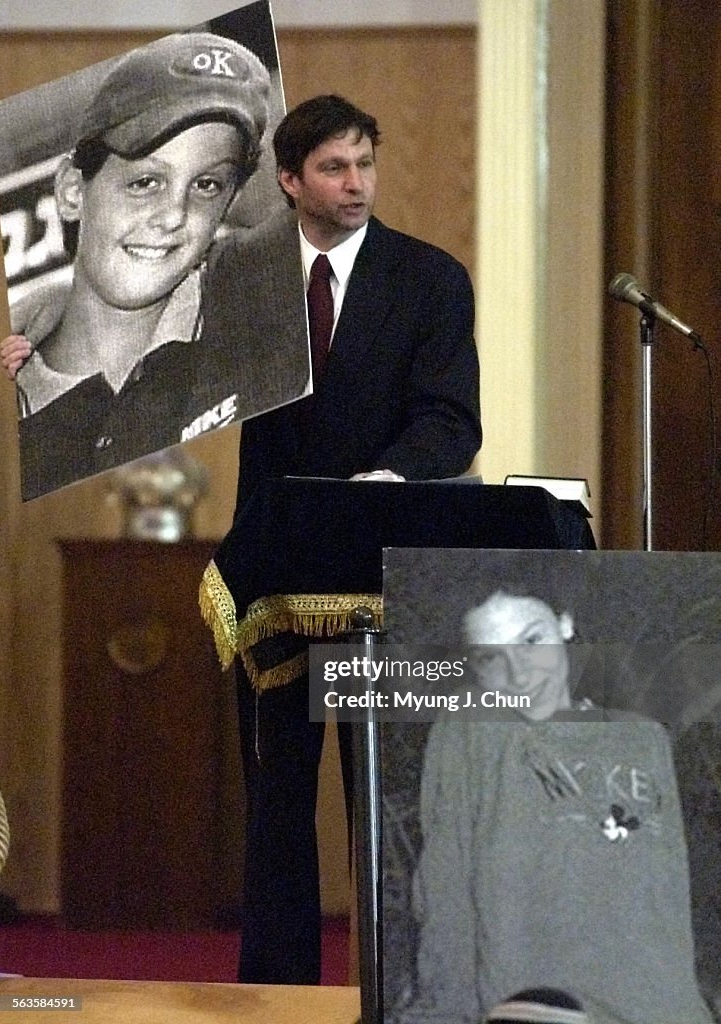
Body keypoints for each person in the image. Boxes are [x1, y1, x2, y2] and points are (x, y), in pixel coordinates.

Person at [227, 94, 482, 985]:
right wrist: (46, 362)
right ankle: (275, 989)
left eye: (365, 164)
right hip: (278, 568)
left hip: (387, 566)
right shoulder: (244, 280)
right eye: (334, 168)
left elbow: (454, 423)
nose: (356, 183)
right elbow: (150, 368)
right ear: (290, 180)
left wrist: (387, 482)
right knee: (278, 802)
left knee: (393, 798)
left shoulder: (431, 279)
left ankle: (409, 985)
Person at [0, 31, 309, 500]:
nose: (173, 217)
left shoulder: (251, 289)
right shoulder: (19, 393)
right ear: (71, 190)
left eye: (206, 185)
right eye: (145, 181)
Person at [392, 590, 713, 1024]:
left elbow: (669, 888)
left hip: (655, 1007)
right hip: (533, 1007)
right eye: (490, 657)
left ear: (565, 623)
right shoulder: (473, 729)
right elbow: (445, 887)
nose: (519, 674)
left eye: (530, 641)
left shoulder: (643, 738)